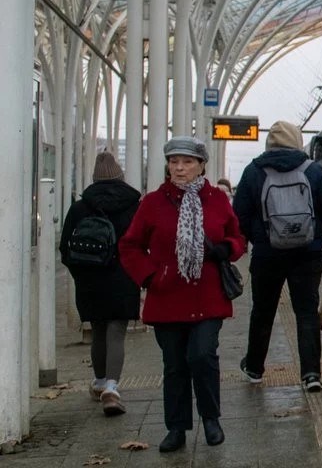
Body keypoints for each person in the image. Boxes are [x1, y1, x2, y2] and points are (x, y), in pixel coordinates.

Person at [119, 137, 246, 453]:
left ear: (201, 165)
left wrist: (226, 248)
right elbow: (130, 245)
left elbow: (238, 237)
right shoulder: (153, 203)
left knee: (202, 355)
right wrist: (151, 275)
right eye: (174, 161)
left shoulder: (217, 200)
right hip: (167, 297)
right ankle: (176, 428)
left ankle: (211, 419)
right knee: (175, 364)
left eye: (187, 162)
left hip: (208, 296)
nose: (179, 168)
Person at [232, 120, 322, 392]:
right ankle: (311, 374)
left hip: (267, 254)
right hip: (308, 253)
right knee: (306, 312)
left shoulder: (254, 171)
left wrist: (258, 237)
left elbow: (239, 216)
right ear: (297, 141)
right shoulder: (313, 171)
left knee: (262, 311)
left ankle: (255, 368)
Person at [59, 150, 141, 416]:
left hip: (90, 279)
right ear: (120, 176)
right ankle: (112, 388)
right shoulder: (134, 206)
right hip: (124, 276)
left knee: (98, 330)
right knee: (117, 330)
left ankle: (99, 381)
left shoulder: (80, 207)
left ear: (94, 178)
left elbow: (65, 248)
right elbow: (143, 242)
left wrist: (80, 275)